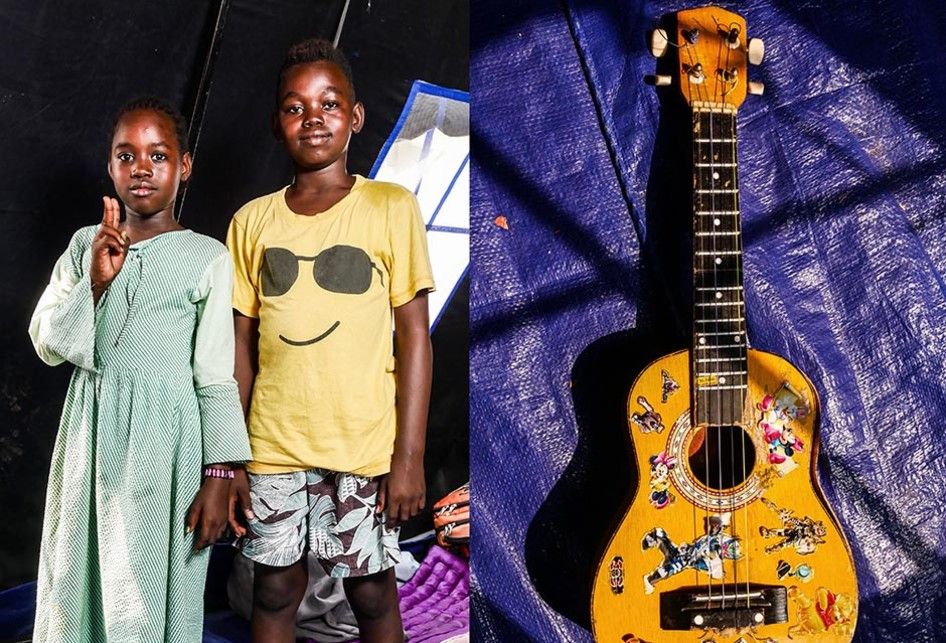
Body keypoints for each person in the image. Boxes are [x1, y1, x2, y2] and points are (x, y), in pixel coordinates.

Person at [226, 38, 435, 643]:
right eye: (295, 107)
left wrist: (409, 457)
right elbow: (238, 348)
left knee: (370, 592)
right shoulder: (251, 221)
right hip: (272, 442)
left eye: (329, 103)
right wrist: (230, 456)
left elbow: (415, 338)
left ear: (356, 116)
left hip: (363, 444)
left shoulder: (390, 207)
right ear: (276, 123)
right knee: (273, 588)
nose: (312, 118)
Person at [28, 97, 252, 642]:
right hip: (90, 438)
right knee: (74, 581)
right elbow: (47, 341)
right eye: (126, 157)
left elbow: (215, 373)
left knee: (146, 587)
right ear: (110, 166)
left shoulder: (206, 257)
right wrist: (96, 283)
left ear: (184, 166)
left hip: (163, 447)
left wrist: (220, 474)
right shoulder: (87, 245)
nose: (142, 169)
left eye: (158, 155)